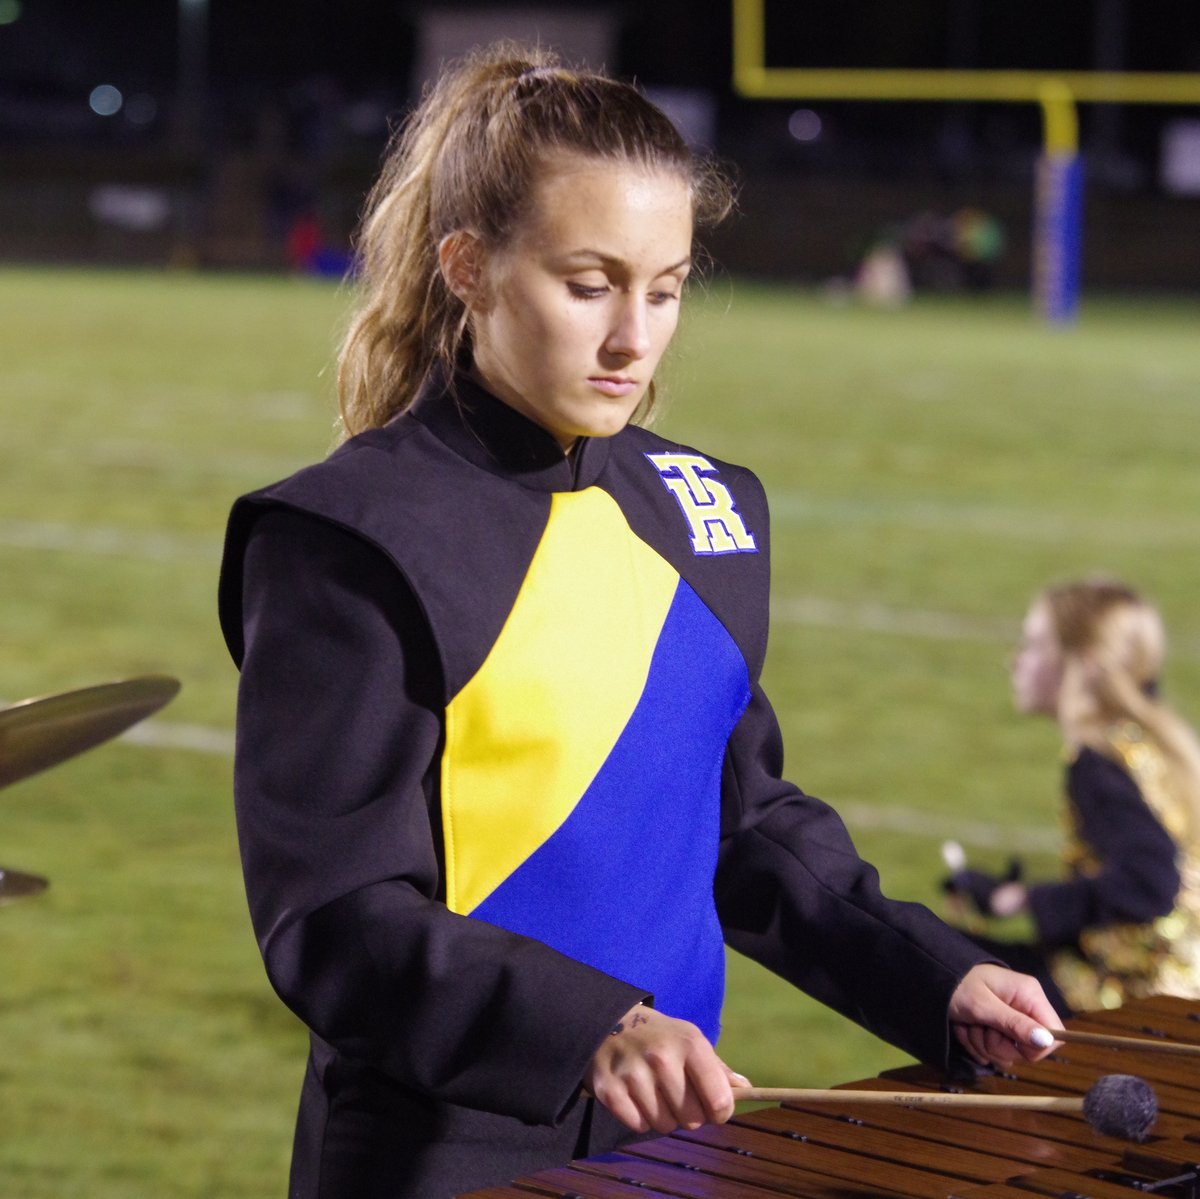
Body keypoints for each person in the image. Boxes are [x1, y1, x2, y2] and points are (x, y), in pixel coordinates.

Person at [217, 43, 1059, 1199]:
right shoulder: (349, 538)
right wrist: (586, 1026)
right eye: (589, 284)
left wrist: (933, 975)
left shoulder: (708, 513)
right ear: (468, 267)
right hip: (440, 1157)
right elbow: (333, 915)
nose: (634, 337)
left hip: (674, 1148)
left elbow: (742, 822)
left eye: (664, 289)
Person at [944, 578, 1200, 1017]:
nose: (1015, 660)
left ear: (1084, 663)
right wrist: (1019, 896)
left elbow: (1149, 881)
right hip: (1175, 982)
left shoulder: (1099, 764)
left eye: (1032, 645)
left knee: (946, 964)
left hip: (1141, 1001)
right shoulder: (1147, 740)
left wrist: (1028, 901)